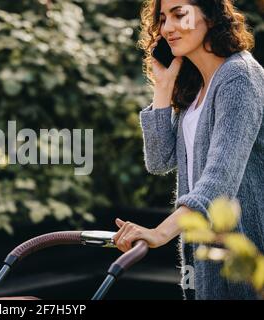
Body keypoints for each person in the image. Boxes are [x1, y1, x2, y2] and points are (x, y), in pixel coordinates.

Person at [113, 0, 264, 299]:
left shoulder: (240, 77)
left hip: (242, 252)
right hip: (203, 250)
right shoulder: (195, 86)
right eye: (163, 19)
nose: (168, 28)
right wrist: (162, 88)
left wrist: (160, 233)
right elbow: (159, 160)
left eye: (179, 15)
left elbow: (219, 181)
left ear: (210, 15)